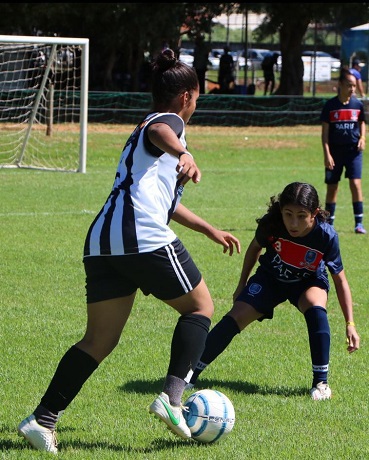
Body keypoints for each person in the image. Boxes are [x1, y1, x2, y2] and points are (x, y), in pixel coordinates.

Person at [17, 48, 241, 454]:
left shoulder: (144, 138)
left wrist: (208, 228)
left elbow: (165, 202)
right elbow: (162, 131)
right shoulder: (165, 122)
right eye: (197, 97)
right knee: (201, 307)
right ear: (187, 96)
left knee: (98, 340)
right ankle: (173, 399)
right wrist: (184, 152)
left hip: (104, 242)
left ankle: (42, 419)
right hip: (138, 235)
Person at [185, 182, 360, 400]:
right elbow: (253, 249)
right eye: (288, 214)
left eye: (301, 216)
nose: (293, 223)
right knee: (235, 317)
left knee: (316, 308)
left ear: (314, 214)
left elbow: (340, 280)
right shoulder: (272, 224)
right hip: (270, 278)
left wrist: (350, 324)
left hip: (307, 282)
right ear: (280, 211)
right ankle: (189, 376)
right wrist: (242, 284)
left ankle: (320, 383)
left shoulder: (326, 236)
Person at [321, 67, 367, 234]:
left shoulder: (357, 105)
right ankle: (328, 224)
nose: (352, 89)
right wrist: (327, 154)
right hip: (335, 153)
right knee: (332, 187)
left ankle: (359, 223)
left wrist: (362, 138)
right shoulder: (330, 106)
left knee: (355, 184)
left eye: (354, 85)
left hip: (353, 152)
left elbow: (362, 122)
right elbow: (324, 134)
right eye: (349, 85)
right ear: (340, 84)